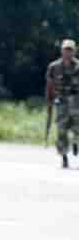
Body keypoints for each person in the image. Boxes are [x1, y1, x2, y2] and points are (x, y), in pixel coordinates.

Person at [46, 38, 79, 169]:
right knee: (61, 132)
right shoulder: (53, 67)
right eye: (66, 50)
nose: (68, 53)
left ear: (74, 51)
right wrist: (48, 101)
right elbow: (49, 86)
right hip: (62, 104)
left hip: (77, 103)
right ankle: (64, 156)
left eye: (70, 50)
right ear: (61, 51)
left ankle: (76, 144)